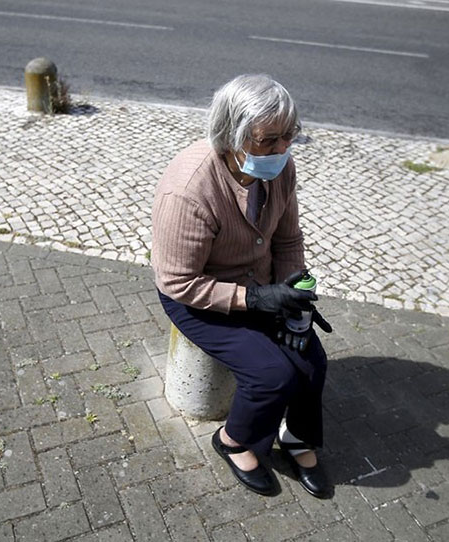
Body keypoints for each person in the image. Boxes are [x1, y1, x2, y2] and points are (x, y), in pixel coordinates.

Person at [151, 74, 332, 497]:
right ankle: (233, 440)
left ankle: (298, 438)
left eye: (290, 136)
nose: (283, 149)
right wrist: (253, 299)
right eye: (269, 140)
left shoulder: (280, 169)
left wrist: (293, 292)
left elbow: (288, 239)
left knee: (310, 360)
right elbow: (178, 281)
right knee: (271, 375)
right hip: (197, 296)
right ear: (231, 135)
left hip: (262, 285)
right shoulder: (189, 190)